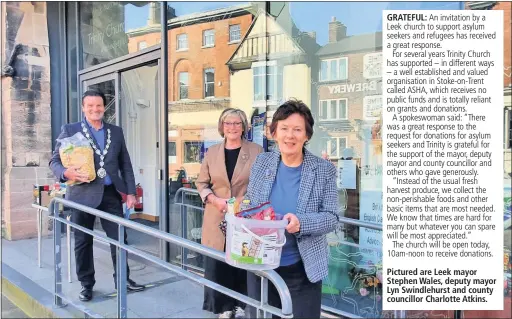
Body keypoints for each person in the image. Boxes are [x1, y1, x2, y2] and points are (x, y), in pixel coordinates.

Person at [243, 99, 339, 318]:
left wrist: (301, 223)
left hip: (302, 269)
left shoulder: (323, 169)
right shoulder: (262, 162)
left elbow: (332, 217)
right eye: (284, 128)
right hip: (261, 265)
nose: (290, 135)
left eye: (297, 130)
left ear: (307, 135)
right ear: (274, 132)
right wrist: (240, 215)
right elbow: (250, 202)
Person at [49, 90, 145, 302]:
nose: (95, 109)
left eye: (99, 105)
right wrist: (66, 173)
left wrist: (130, 193)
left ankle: (123, 279)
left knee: (120, 239)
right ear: (83, 108)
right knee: (83, 241)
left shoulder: (116, 131)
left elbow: (125, 164)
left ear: (104, 107)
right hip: (82, 195)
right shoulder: (70, 130)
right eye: (90, 106)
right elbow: (54, 161)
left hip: (111, 194)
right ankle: (86, 284)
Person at [195, 108, 263, 319]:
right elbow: (201, 182)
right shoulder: (212, 152)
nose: (232, 127)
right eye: (228, 123)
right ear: (222, 127)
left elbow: (261, 185)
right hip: (216, 216)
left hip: (245, 215)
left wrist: (236, 203)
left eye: (236, 123)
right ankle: (223, 307)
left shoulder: (257, 151)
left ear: (244, 126)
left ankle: (243, 304)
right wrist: (214, 200)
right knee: (218, 264)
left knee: (242, 261)